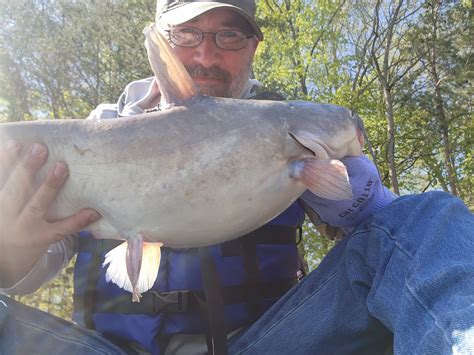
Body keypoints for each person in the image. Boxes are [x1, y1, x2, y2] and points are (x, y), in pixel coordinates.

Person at [0, 1, 472, 354]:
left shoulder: (286, 122)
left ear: (252, 46)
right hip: (109, 349)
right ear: (159, 42)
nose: (206, 54)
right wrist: (11, 249)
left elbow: (401, 246)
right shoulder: (87, 131)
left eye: (228, 36)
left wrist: (359, 202)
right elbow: (27, 272)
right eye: (186, 34)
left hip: (267, 342)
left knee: (429, 215)